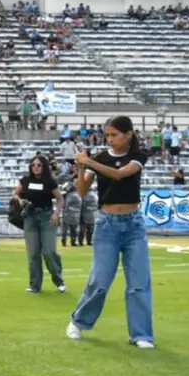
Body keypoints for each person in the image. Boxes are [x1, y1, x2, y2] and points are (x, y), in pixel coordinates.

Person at [68, 116, 154, 348]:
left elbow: (120, 174)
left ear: (128, 134)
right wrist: (81, 167)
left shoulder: (138, 156)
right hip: (107, 225)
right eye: (107, 135)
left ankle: (141, 335)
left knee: (139, 282)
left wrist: (89, 162)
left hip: (134, 225)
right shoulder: (99, 158)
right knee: (100, 281)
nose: (110, 139)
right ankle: (78, 321)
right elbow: (82, 191)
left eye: (114, 134)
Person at [14, 155, 65, 293]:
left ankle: (58, 280)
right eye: (33, 165)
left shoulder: (50, 182)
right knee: (33, 253)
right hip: (30, 217)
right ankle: (34, 285)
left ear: (44, 166)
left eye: (39, 165)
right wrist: (20, 200)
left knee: (49, 251)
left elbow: (60, 199)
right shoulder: (25, 180)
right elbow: (16, 194)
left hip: (47, 217)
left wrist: (56, 213)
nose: (35, 167)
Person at [61, 181, 83, 247]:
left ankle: (64, 241)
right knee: (73, 229)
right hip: (75, 214)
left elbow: (62, 204)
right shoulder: (78, 195)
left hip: (66, 213)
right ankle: (73, 242)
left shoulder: (65, 195)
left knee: (65, 228)